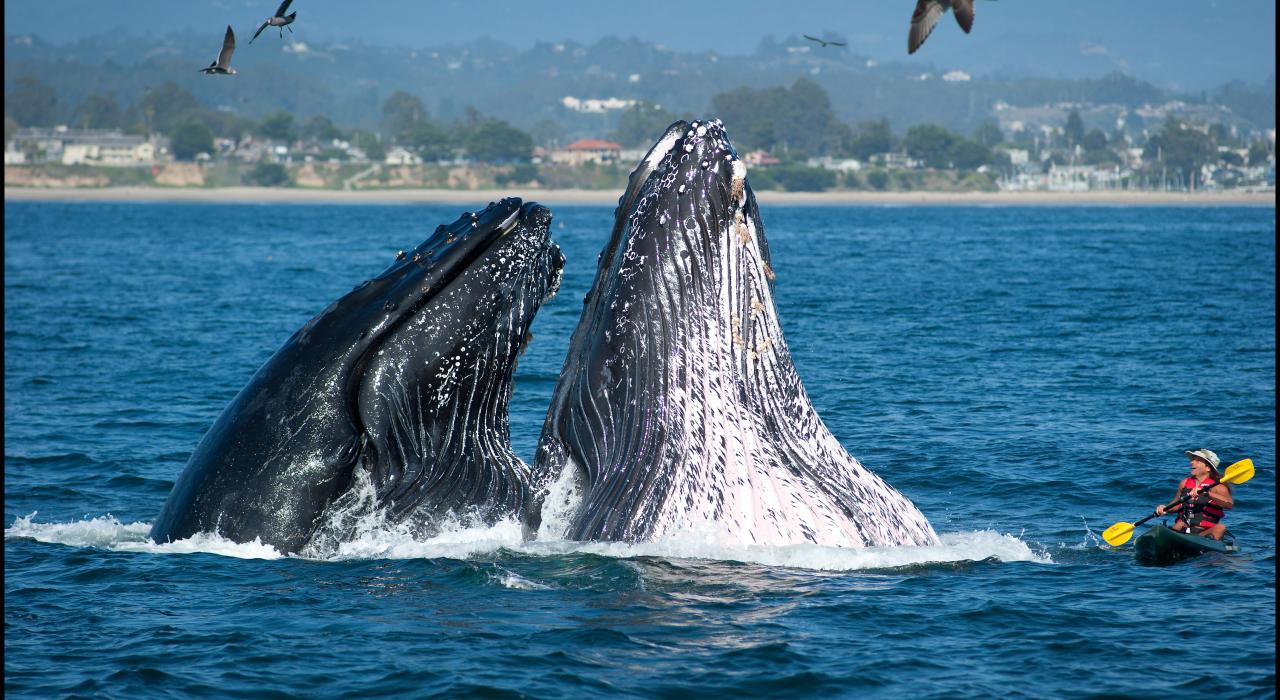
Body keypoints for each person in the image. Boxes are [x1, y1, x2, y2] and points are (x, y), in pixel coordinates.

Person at [1155, 448, 1234, 540]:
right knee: (1179, 524)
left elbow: (1229, 504)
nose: (1192, 462)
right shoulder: (1184, 483)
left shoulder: (1218, 487)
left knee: (1221, 528)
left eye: (1197, 460)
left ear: (1208, 468)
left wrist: (1207, 493)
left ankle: (1209, 546)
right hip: (1182, 528)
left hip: (1204, 533)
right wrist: (1165, 509)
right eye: (1192, 459)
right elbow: (1176, 504)